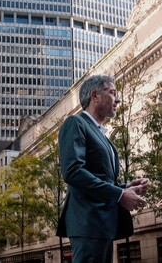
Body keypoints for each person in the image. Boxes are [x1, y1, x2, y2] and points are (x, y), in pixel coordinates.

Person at [57, 74, 148, 263]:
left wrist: (126, 187)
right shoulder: (75, 123)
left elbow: (101, 178)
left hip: (102, 223)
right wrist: (119, 195)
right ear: (95, 96)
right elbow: (73, 172)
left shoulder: (101, 134)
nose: (118, 99)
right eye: (113, 93)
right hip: (88, 222)